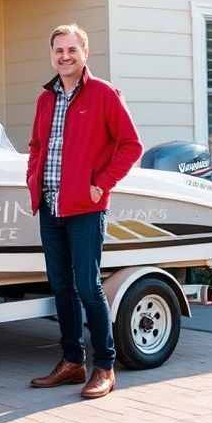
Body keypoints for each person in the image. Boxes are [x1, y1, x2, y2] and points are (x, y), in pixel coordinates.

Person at [25, 24, 143, 399]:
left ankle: (105, 366)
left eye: (71, 50)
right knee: (61, 286)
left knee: (88, 286)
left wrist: (101, 183)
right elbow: (36, 145)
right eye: (58, 50)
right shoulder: (46, 99)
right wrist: (34, 178)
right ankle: (72, 362)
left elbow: (131, 145)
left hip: (86, 208)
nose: (64, 56)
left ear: (85, 53)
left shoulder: (104, 94)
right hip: (51, 206)